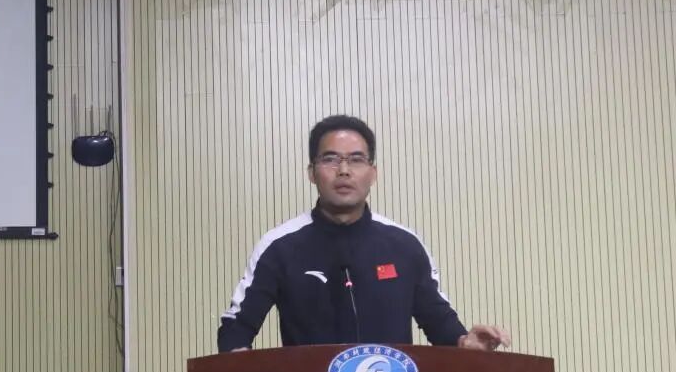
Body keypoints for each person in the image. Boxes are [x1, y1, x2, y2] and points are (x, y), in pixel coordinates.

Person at [217, 115, 510, 353]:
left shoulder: (404, 245)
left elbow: (438, 320)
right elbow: (236, 326)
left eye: (356, 160)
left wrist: (464, 342)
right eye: (330, 159)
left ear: (373, 173)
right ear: (312, 172)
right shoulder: (280, 246)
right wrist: (238, 361)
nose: (344, 170)